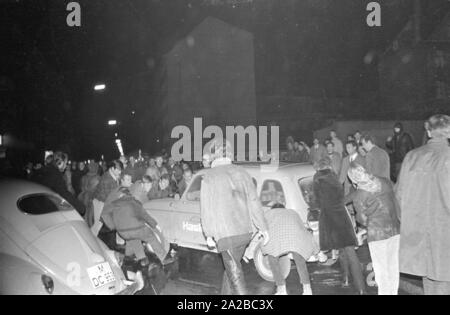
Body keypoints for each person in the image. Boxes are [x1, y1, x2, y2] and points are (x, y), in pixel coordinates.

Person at [200, 140, 269, 295]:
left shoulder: (209, 176)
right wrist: (263, 228)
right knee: (231, 269)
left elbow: (206, 209)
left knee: (235, 275)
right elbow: (254, 201)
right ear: (230, 153)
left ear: (214, 155)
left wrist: (209, 234)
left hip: (226, 234)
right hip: (245, 232)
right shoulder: (242, 172)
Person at [396, 114, 450, 295]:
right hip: (444, 234)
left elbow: (399, 196)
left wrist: (409, 223)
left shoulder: (411, 157)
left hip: (418, 233)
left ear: (428, 131)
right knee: (443, 278)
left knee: (428, 278)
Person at [313, 157, 365, 294]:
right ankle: (361, 289)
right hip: (341, 215)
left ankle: (346, 279)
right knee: (350, 251)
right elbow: (340, 195)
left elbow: (317, 200)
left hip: (328, 218)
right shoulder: (334, 176)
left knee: (341, 249)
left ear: (318, 167)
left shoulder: (316, 178)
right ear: (329, 166)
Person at [347, 164, 401, 295]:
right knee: (393, 266)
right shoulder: (384, 181)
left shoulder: (359, 194)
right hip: (395, 229)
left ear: (353, 180)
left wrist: (364, 230)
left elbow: (361, 219)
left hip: (377, 235)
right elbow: (395, 201)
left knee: (381, 269)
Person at [101, 186, 170, 264]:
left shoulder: (113, 204)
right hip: (137, 229)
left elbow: (104, 214)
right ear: (129, 194)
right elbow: (144, 215)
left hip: (122, 232)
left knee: (133, 238)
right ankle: (164, 258)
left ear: (120, 195)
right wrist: (154, 225)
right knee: (151, 237)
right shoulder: (133, 202)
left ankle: (142, 259)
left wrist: (113, 226)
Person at [263, 203, 319, 295]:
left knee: (272, 259)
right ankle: (307, 290)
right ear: (283, 208)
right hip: (296, 240)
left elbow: (264, 230)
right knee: (300, 262)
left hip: (277, 240)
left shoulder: (268, 213)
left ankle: (281, 290)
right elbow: (302, 228)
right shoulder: (292, 212)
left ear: (273, 209)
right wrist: (315, 250)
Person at [39, 151, 86, 216]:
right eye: (66, 163)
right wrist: (80, 207)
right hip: (47, 210)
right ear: (60, 162)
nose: (66, 166)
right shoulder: (55, 174)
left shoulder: (48, 170)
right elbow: (63, 193)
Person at [79, 161, 101, 226]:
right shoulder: (98, 178)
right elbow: (97, 190)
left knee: (85, 217)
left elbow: (82, 188)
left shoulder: (83, 177)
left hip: (84, 199)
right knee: (91, 219)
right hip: (93, 200)